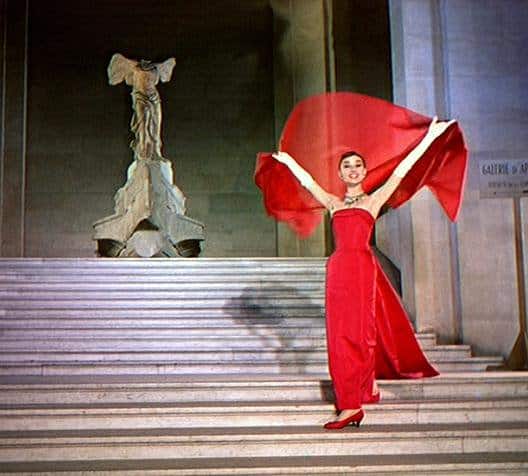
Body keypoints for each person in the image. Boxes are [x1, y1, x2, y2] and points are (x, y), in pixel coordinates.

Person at [271, 116, 455, 430]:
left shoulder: (373, 201)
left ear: (364, 171)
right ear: (341, 174)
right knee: (339, 337)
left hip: (361, 270)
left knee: (358, 335)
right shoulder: (332, 203)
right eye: (347, 166)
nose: (353, 169)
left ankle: (352, 404)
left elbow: (402, 171)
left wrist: (430, 137)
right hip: (338, 270)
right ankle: (351, 400)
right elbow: (307, 183)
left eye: (358, 164)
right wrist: (288, 161)